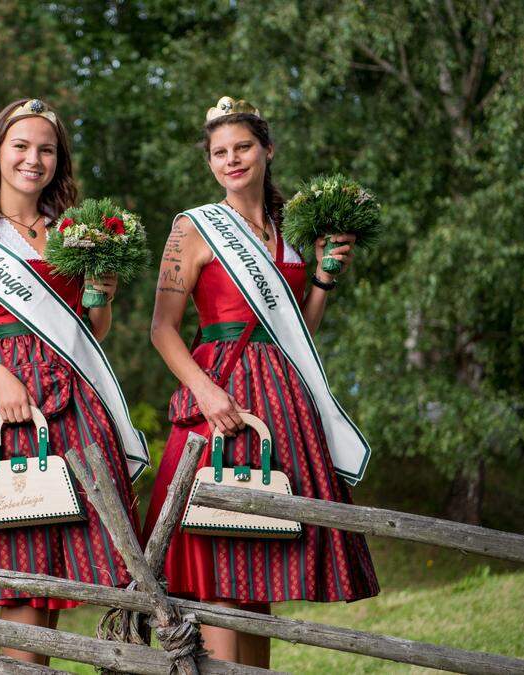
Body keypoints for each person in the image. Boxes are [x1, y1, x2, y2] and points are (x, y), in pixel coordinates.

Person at [145, 96, 380, 667]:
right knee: (221, 551)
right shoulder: (192, 228)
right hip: (221, 395)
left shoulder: (290, 230)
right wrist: (204, 391)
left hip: (280, 398)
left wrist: (322, 279)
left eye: (243, 147)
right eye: (220, 152)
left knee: (260, 559)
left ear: (267, 150)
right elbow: (161, 330)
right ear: (210, 162)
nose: (232, 159)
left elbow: (297, 332)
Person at [0, 98, 150, 665]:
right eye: (21, 146)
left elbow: (91, 329)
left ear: (58, 160)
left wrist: (102, 288)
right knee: (22, 582)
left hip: (76, 404)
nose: (34, 159)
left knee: (56, 579)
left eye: (46, 150)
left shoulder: (74, 233)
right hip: (11, 409)